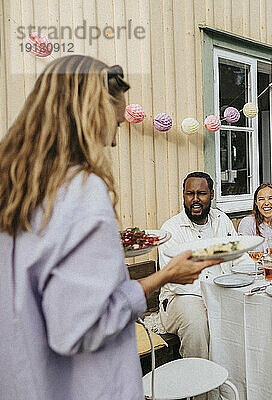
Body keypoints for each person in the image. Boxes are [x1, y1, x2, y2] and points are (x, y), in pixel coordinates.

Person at [0, 55, 220, 399]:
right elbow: (79, 327)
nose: (115, 141)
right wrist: (162, 277)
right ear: (90, 112)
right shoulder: (81, 190)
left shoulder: (15, 187)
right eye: (116, 124)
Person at [158, 171, 241, 360]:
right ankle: (200, 386)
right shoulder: (170, 230)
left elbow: (238, 255)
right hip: (182, 297)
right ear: (184, 195)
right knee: (195, 323)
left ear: (211, 194)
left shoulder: (221, 220)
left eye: (201, 194)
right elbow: (175, 282)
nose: (195, 199)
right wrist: (215, 296)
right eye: (189, 194)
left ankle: (234, 381)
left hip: (221, 293)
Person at [237, 183, 272, 252]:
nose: (266, 203)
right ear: (256, 203)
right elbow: (243, 253)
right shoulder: (248, 223)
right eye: (261, 199)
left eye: (271, 198)